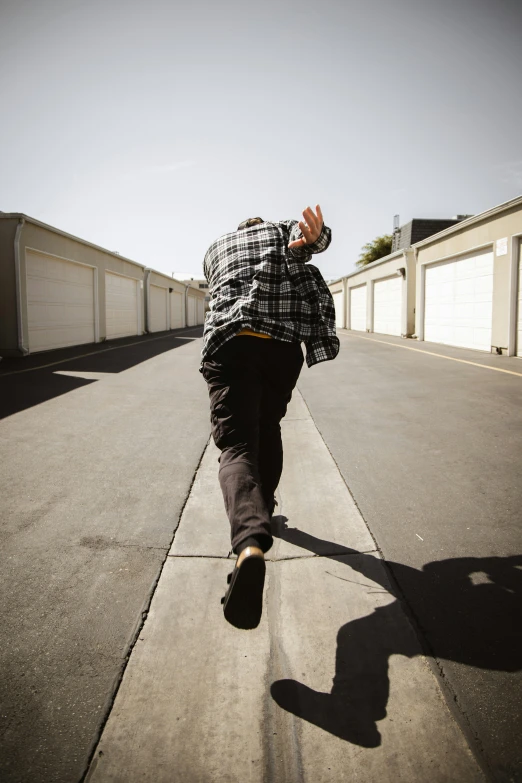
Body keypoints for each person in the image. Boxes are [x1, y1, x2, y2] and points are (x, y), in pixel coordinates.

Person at [201, 205, 339, 629]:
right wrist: (315, 240)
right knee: (269, 427)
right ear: (261, 228)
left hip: (234, 344)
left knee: (238, 445)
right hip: (281, 350)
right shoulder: (280, 235)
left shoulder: (216, 249)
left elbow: (217, 287)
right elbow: (308, 241)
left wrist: (309, 241)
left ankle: (249, 543)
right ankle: (265, 505)